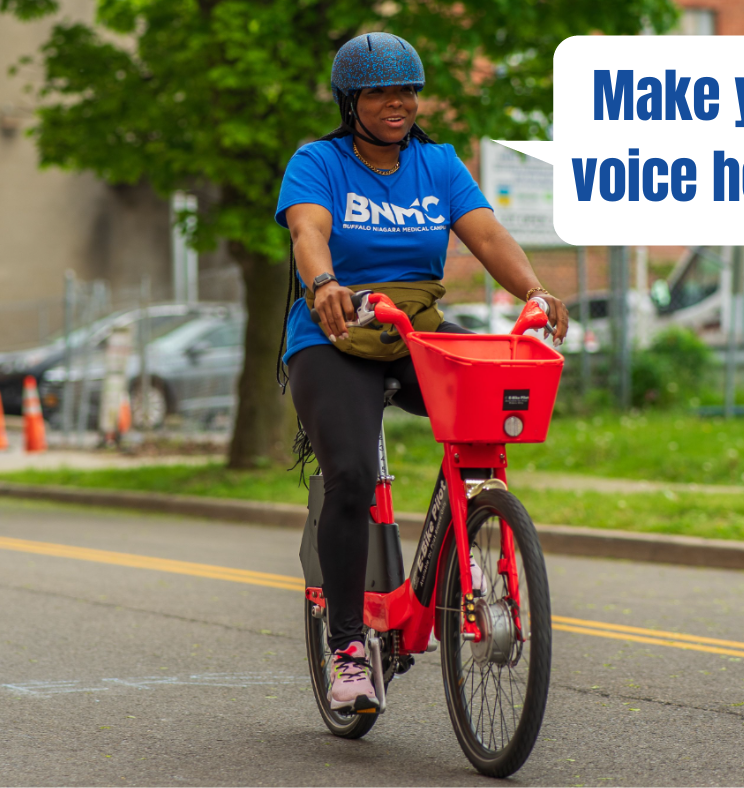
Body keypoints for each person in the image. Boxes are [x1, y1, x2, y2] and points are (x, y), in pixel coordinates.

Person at [275, 32, 568, 713]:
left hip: (415, 326)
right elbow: (308, 231)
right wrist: (322, 283)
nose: (397, 102)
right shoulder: (318, 162)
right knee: (348, 475)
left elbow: (487, 235)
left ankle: (462, 529)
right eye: (379, 92)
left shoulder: (436, 164)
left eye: (406, 89)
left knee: (489, 397)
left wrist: (531, 292)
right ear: (352, 102)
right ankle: (349, 648)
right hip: (336, 331)